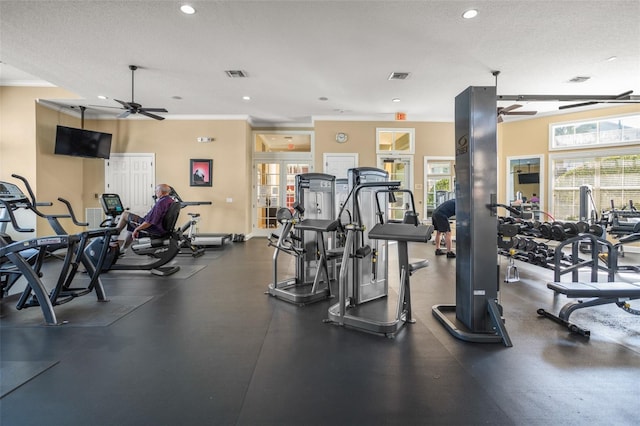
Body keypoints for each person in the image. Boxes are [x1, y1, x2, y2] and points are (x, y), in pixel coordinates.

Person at [113, 184, 175, 253]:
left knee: (125, 214)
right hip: (160, 228)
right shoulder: (170, 200)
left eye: (156, 190)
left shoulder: (161, 203)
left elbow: (150, 222)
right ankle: (123, 250)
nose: (155, 192)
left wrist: (137, 228)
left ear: (160, 192)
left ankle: (113, 237)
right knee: (131, 225)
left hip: (153, 228)